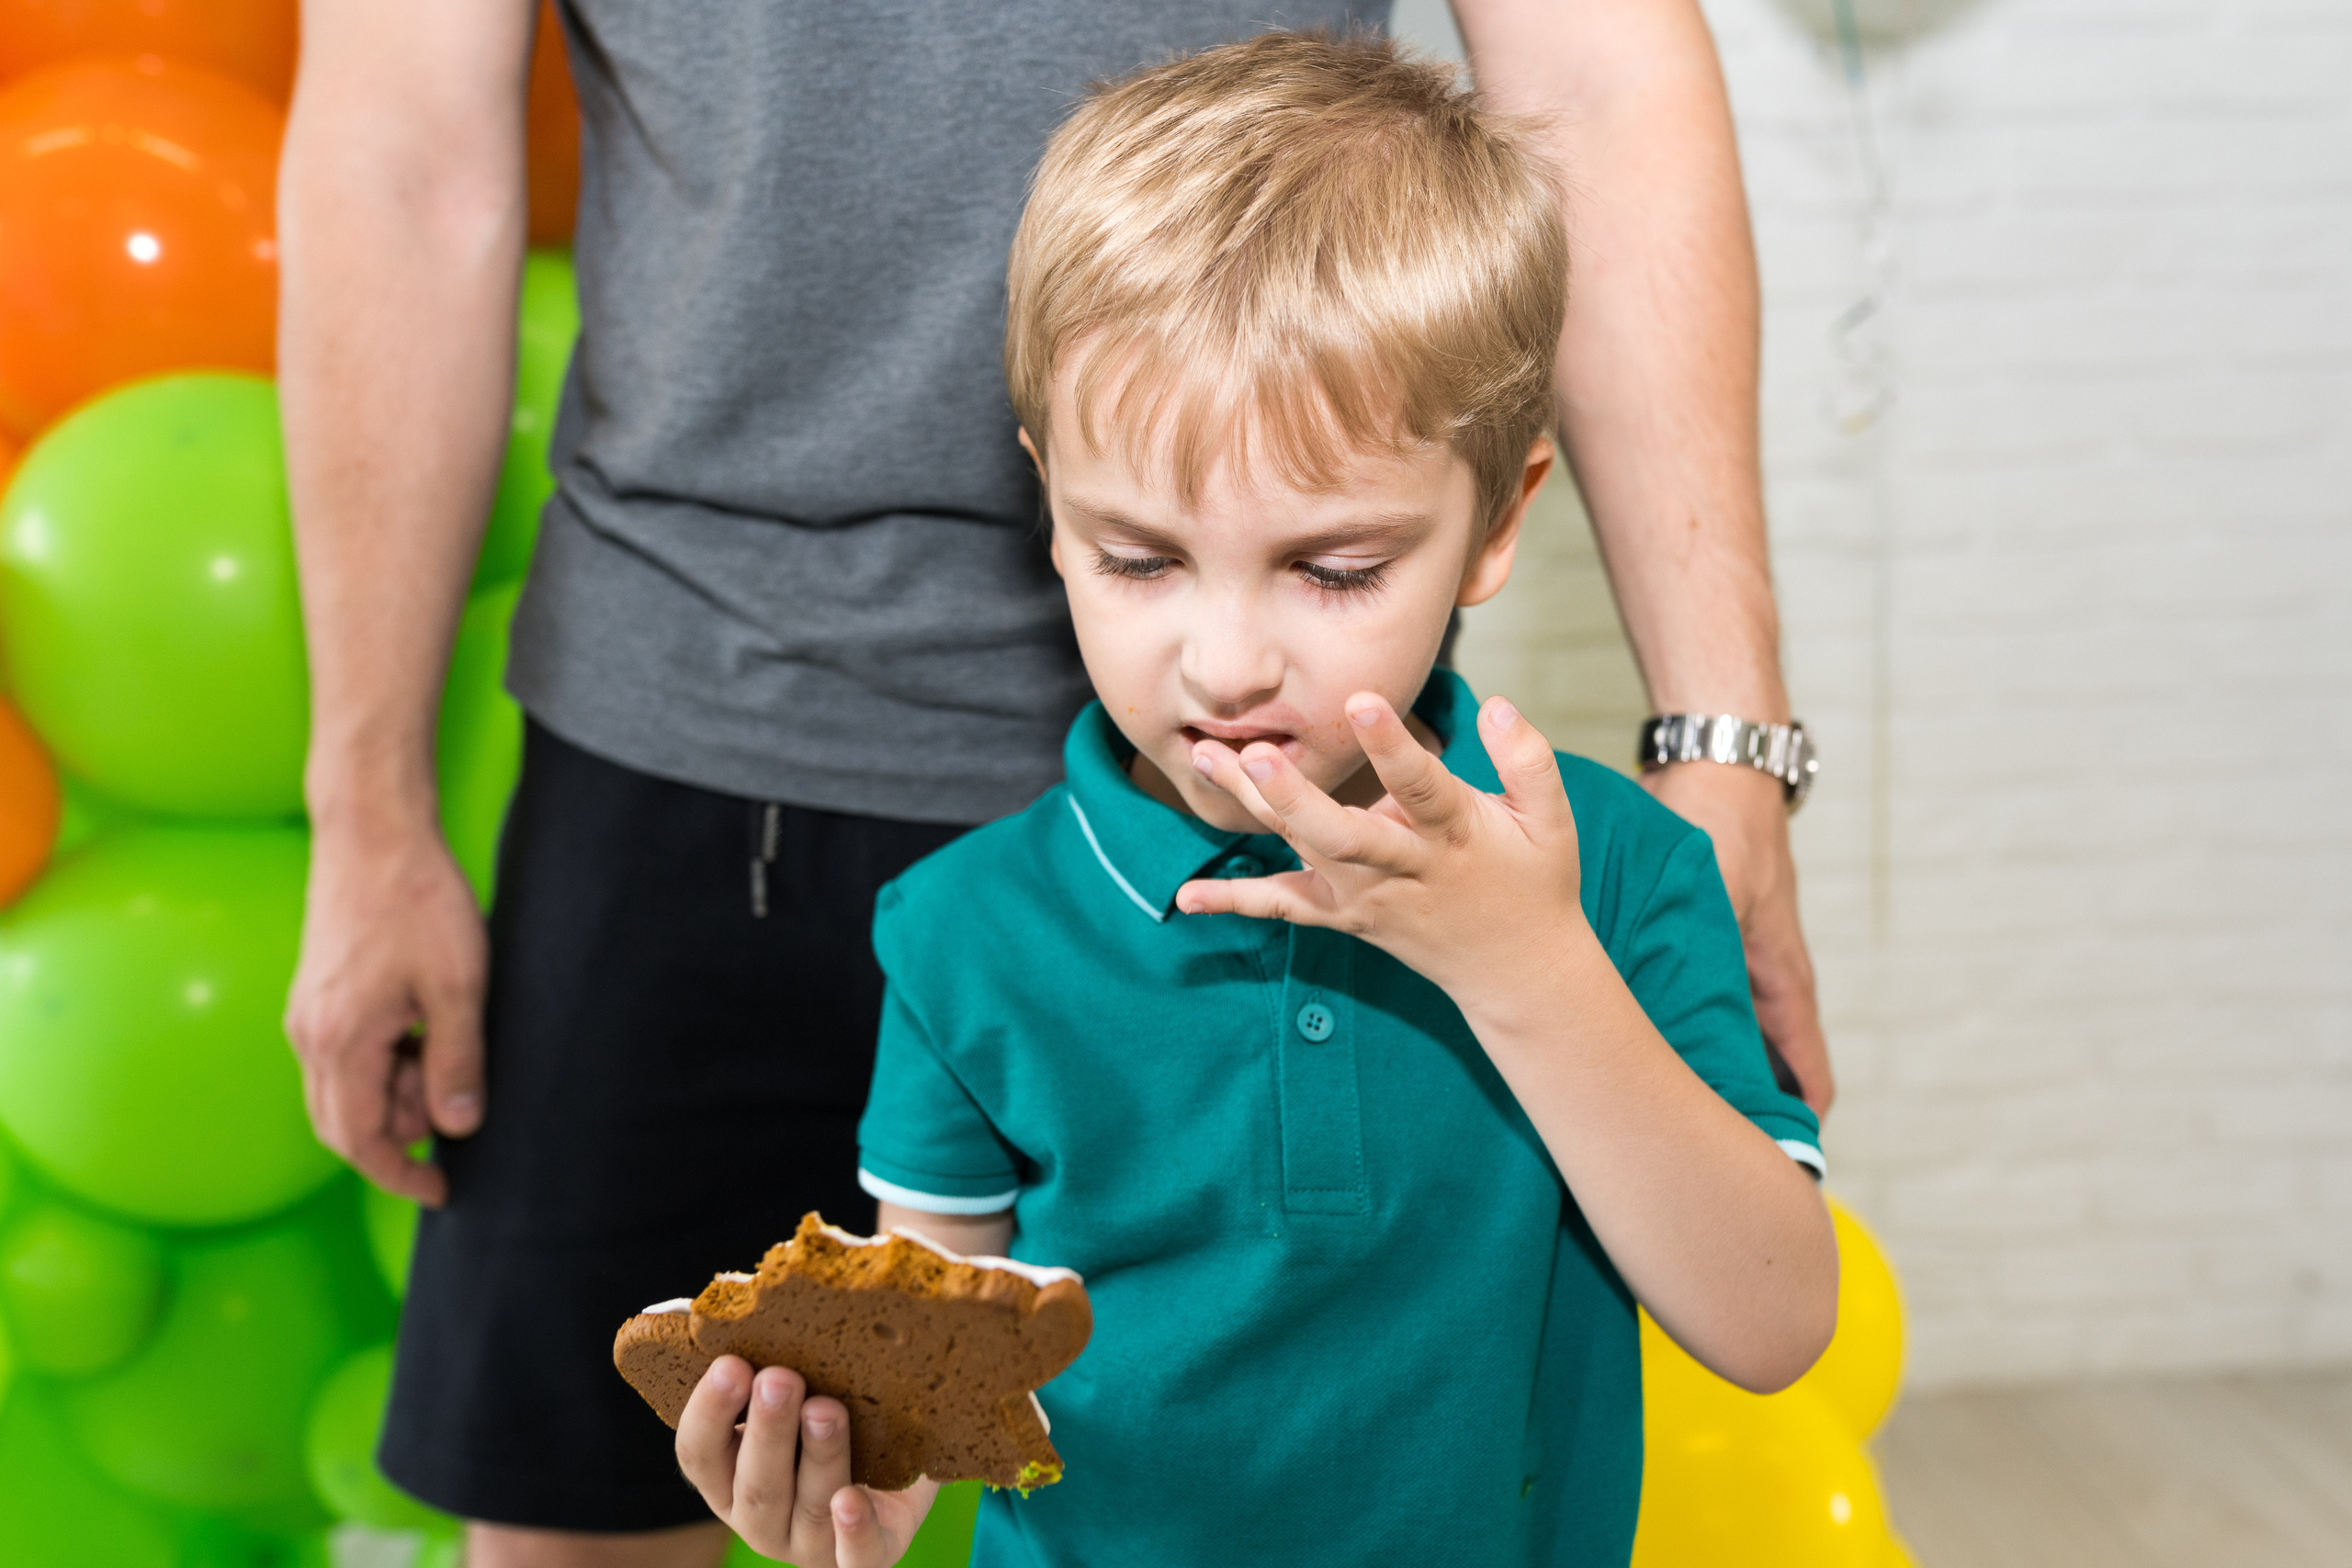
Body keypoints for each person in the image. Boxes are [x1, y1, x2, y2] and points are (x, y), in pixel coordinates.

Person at [277, 2, 1830, 1565]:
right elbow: (930, 1377)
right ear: (1049, 507)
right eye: (1140, 557)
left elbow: (1773, 1323)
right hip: (673, 712)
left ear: (1496, 523)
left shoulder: (1613, 873)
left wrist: (1534, 963)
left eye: (1335, 566)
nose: (1227, 663)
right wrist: (856, 1481)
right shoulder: (959, 938)